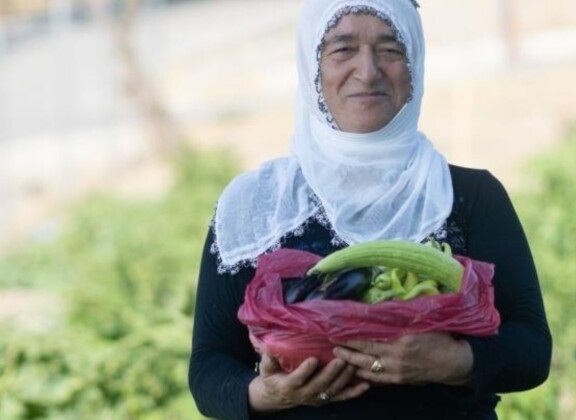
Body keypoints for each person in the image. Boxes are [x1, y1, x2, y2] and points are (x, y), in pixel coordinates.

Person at [188, 0, 552, 418]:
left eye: (390, 50)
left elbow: (531, 348)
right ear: (312, 67)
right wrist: (267, 394)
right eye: (342, 49)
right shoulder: (256, 207)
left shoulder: (470, 196)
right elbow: (209, 368)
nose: (368, 71)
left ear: (414, 66)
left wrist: (455, 363)